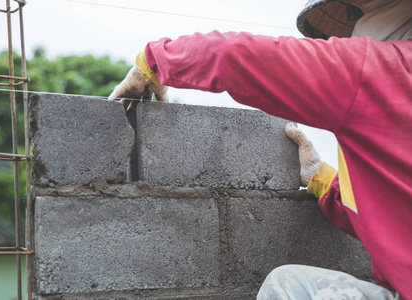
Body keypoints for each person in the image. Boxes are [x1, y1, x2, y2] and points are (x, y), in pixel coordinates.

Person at [109, 0, 412, 298]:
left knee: (286, 287)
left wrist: (151, 63)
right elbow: (397, 229)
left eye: (353, 12)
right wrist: (323, 182)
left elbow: (230, 56)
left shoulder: (380, 68)